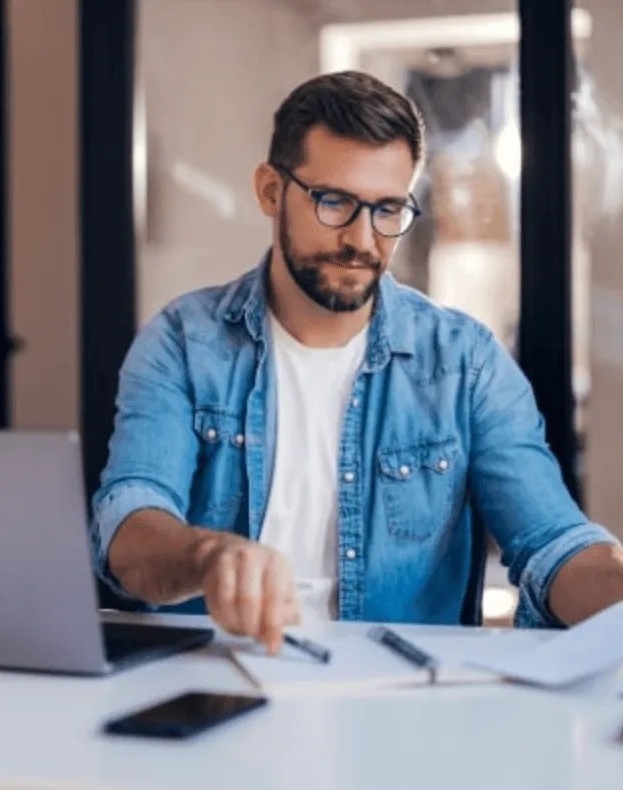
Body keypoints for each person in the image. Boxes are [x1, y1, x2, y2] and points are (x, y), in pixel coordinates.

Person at [91, 71, 623, 655]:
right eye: (335, 202)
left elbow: (552, 543)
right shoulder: (183, 342)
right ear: (271, 190)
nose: (363, 240)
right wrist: (208, 555)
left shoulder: (464, 362)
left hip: (398, 704)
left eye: (387, 209)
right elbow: (129, 524)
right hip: (216, 679)